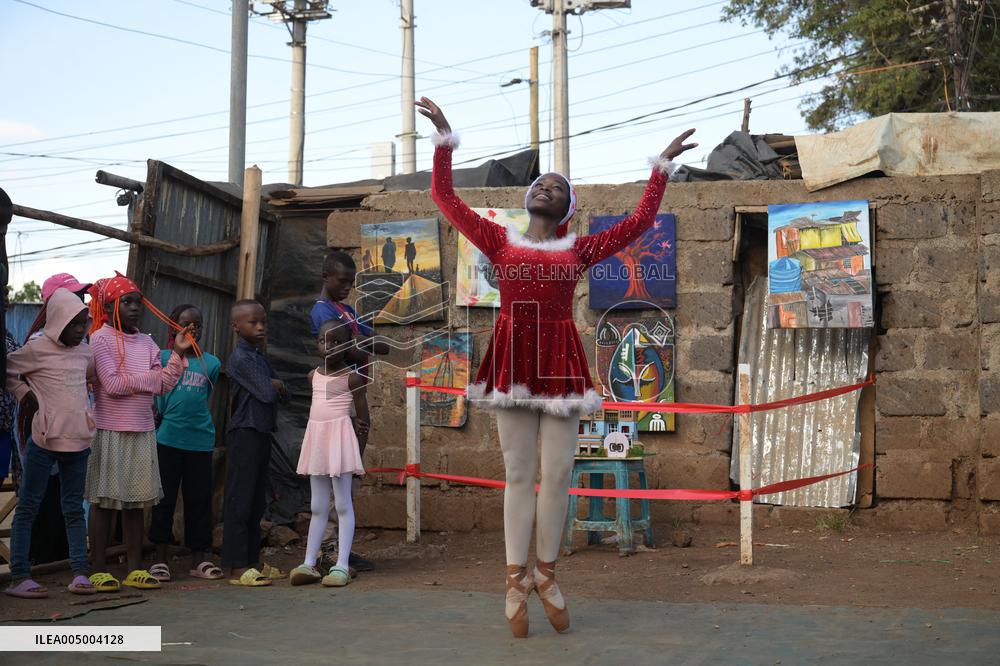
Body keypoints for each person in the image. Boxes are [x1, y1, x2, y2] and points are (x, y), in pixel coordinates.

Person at [417, 95, 697, 638]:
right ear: (527, 199)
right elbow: (444, 197)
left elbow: (640, 222)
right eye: (540, 183)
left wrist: (659, 171)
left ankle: (547, 574)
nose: (548, 185)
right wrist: (445, 141)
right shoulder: (499, 240)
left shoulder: (581, 249)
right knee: (519, 474)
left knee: (560, 475)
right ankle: (513, 578)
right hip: (513, 360)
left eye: (559, 187)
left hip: (561, 361)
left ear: (567, 208)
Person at [86, 274, 193, 592]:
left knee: (135, 504)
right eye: (126, 302)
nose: (135, 308)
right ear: (108, 307)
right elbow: (114, 386)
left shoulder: (147, 342)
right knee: (104, 504)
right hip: (110, 430)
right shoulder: (100, 339)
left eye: (138, 302)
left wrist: (178, 353)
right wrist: (149, 377)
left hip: (143, 430)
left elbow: (164, 383)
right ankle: (98, 568)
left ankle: (135, 569)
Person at [4, 289, 96, 598]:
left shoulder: (85, 352)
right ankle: (19, 576)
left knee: (73, 509)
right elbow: (9, 370)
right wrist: (25, 395)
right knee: (29, 506)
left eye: (84, 324)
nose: (81, 330)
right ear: (58, 322)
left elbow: (92, 377)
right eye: (75, 324)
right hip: (44, 441)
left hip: (79, 442)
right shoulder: (36, 349)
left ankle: (81, 573)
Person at [310, 251, 388, 572]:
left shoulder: (348, 311)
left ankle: (342, 546)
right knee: (335, 476)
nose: (347, 288)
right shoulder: (321, 313)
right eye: (342, 281)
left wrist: (358, 341)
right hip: (335, 403)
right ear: (325, 277)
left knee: (349, 476)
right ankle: (328, 552)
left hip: (353, 397)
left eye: (351, 283)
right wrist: (357, 343)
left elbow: (380, 343)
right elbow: (355, 348)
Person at [289, 319, 369, 588]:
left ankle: (342, 565)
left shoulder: (352, 377)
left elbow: (364, 420)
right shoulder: (313, 376)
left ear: (347, 345)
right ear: (317, 343)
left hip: (341, 444)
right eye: (324, 340)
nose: (329, 346)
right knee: (317, 506)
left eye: (336, 341)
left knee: (343, 504)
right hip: (320, 443)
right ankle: (308, 563)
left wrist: (356, 456)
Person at [149, 304, 223, 582]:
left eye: (197, 324)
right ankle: (160, 559)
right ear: (173, 326)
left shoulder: (211, 363)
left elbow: (207, 400)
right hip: (168, 439)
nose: (192, 329)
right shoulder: (164, 356)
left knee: (199, 501)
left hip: (200, 442)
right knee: (163, 499)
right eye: (185, 324)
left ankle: (199, 559)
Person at [223, 299, 286, 586]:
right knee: (241, 500)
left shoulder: (258, 358)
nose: (261, 327)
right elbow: (269, 392)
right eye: (253, 322)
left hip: (260, 431)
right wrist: (274, 384)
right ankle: (237, 567)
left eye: (263, 322)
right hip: (245, 433)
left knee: (256, 501)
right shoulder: (241, 359)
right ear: (236, 326)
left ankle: (252, 560)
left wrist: (275, 384)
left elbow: (282, 388)